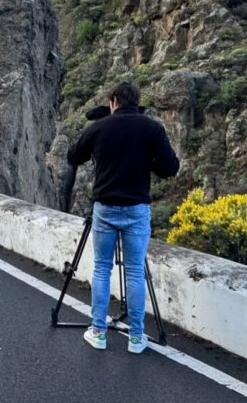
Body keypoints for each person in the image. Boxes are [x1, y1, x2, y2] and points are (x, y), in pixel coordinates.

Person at [66, 81, 179, 353]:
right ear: (137, 103)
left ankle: (98, 331)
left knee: (102, 268)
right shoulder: (152, 128)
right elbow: (170, 167)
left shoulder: (100, 127)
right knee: (135, 271)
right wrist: (146, 162)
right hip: (136, 209)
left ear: (114, 101)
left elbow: (73, 156)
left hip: (105, 207)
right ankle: (137, 337)